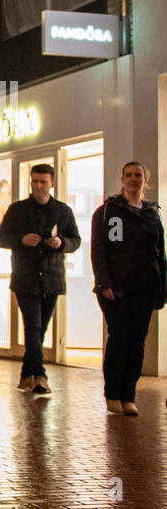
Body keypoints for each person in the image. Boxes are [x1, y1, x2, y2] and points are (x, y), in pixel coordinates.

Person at [0, 163, 81, 396]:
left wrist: (61, 243)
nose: (39, 186)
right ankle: (40, 375)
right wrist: (22, 239)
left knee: (40, 328)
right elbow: (1, 238)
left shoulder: (63, 211)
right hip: (25, 277)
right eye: (35, 181)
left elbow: (75, 239)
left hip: (52, 278)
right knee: (32, 326)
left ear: (52, 183)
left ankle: (26, 374)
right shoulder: (17, 209)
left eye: (43, 182)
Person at [90, 161, 166, 415]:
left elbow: (160, 254)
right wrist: (104, 284)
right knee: (120, 338)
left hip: (145, 288)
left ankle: (128, 396)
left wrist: (161, 287)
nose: (134, 180)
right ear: (122, 179)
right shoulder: (110, 213)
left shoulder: (152, 214)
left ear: (146, 180)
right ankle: (113, 394)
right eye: (129, 175)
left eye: (138, 176)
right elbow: (101, 251)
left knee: (137, 343)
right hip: (117, 290)